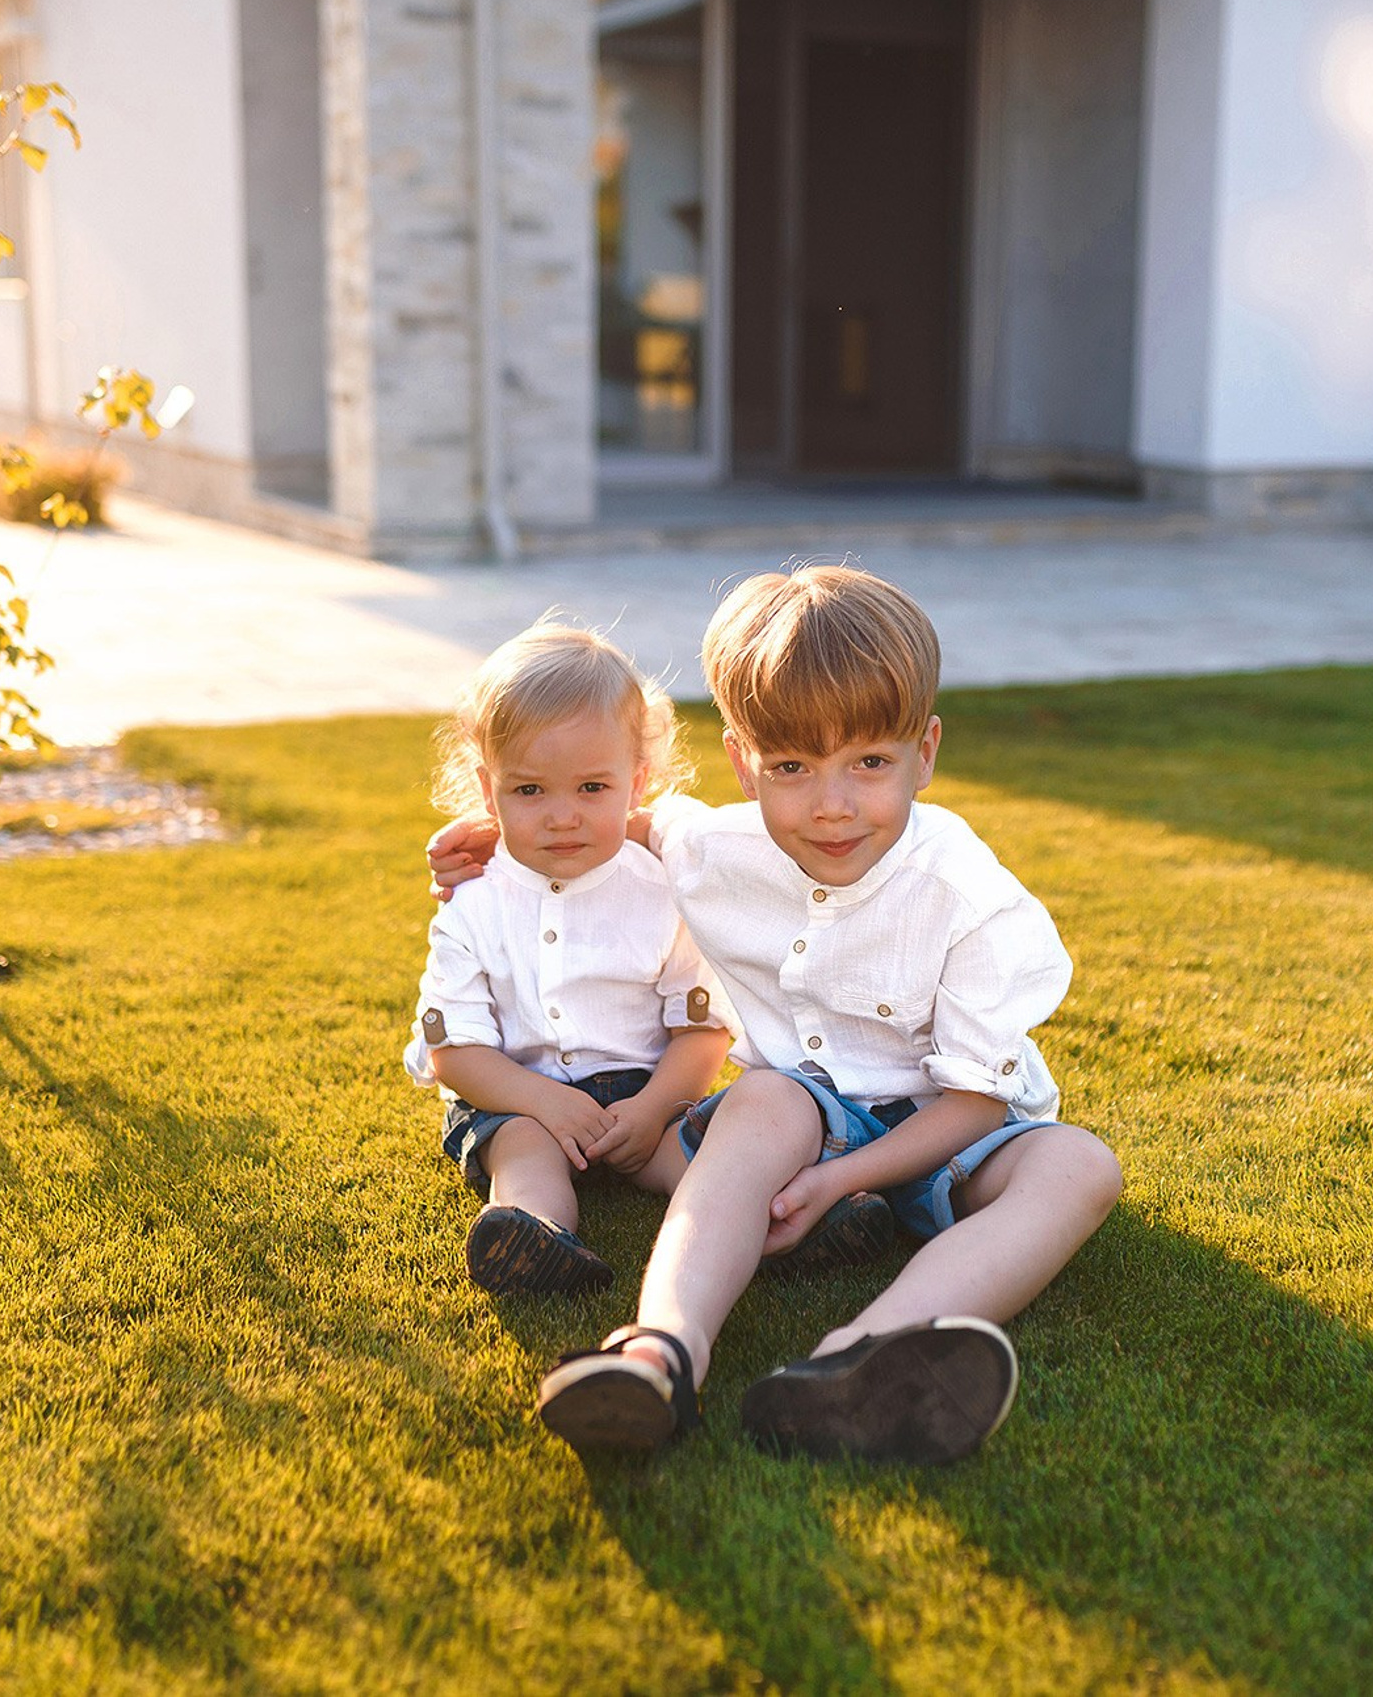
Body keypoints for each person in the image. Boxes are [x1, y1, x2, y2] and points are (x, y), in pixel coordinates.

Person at [431, 566, 1123, 1464]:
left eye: (869, 762)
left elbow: (976, 1107)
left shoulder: (970, 898)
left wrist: (844, 1180)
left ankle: (859, 1362)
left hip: (954, 1138)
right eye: (792, 767)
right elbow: (615, 822)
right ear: (741, 762)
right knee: (764, 1099)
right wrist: (496, 842)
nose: (831, 805)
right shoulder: (715, 843)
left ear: (926, 751)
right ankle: (660, 1352)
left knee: (1080, 1166)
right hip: (803, 1118)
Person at [405, 620, 732, 1296]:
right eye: (530, 791)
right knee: (526, 1151)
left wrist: (652, 1108)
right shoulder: (473, 904)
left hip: (645, 1093)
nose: (562, 816)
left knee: (694, 1149)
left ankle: (775, 1222)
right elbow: (455, 1052)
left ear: (637, 781)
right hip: (515, 1094)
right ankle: (530, 1228)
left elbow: (701, 1030)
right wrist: (544, 1102)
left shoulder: (664, 890)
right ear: (487, 786)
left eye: (591, 788)